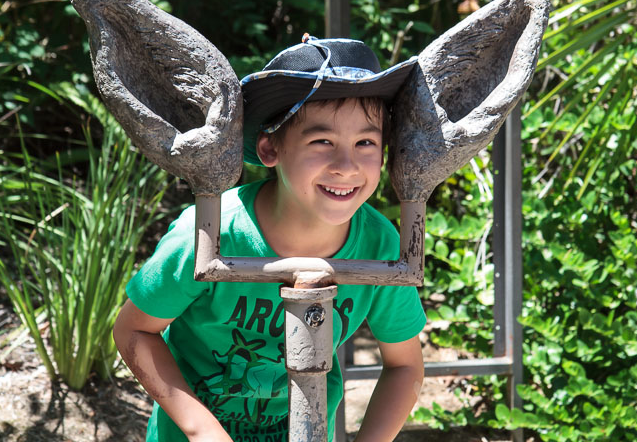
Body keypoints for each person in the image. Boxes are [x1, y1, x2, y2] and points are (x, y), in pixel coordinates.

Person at [112, 35, 428, 442]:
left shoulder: (380, 246)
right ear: (269, 148)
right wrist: (202, 430)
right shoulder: (210, 235)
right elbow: (134, 330)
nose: (347, 166)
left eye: (365, 142)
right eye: (322, 141)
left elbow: (405, 365)